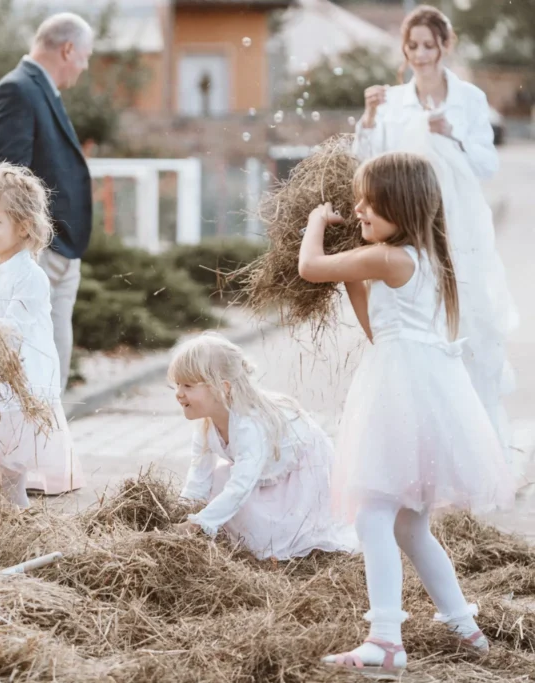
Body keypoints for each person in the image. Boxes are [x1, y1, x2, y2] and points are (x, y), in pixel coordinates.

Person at [297, 153, 514, 677]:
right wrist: (353, 276)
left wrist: (315, 223)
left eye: (370, 201)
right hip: (421, 393)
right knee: (411, 526)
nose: (358, 209)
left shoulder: (390, 258)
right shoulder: (423, 259)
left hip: (399, 395)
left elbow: (309, 268)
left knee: (372, 515)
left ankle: (386, 640)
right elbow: (379, 331)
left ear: (402, 204)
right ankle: (465, 627)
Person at [353, 5, 518, 471]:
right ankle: (424, 458)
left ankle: (480, 457)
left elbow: (487, 164)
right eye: (413, 46)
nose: (421, 54)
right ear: (404, 50)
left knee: (470, 325)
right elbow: (372, 165)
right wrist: (369, 118)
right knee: (420, 330)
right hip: (412, 228)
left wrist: (452, 135)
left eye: (429, 45)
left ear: (446, 45)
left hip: (460, 224)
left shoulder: (468, 98)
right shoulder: (392, 101)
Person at [0, 13, 94, 392]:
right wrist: (30, 250)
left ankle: (51, 427)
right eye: (85, 56)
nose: (85, 65)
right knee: (31, 364)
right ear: (68, 49)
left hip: (57, 249)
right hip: (37, 251)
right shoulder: (17, 90)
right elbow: (7, 181)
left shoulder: (36, 89)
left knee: (53, 360)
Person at [0, 163, 84, 503]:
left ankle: (17, 523)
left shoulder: (29, 276)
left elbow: (12, 330)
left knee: (9, 476)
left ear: (24, 226)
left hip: (14, 391)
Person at [170, 333, 355, 561]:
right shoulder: (205, 426)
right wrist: (180, 512)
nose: (179, 393)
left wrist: (199, 524)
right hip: (263, 471)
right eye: (177, 385)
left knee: (269, 538)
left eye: (188, 386)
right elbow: (199, 476)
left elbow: (241, 486)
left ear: (222, 388)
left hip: (301, 470)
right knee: (217, 481)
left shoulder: (248, 425)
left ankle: (279, 547)